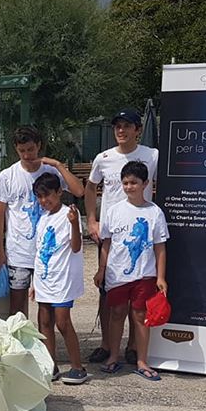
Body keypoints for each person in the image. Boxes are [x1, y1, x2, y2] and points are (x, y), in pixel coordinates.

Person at [85, 108, 159, 366]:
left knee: (139, 292)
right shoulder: (103, 158)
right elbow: (91, 187)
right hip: (111, 234)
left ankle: (132, 346)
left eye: (127, 126)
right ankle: (107, 344)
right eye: (118, 125)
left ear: (137, 130)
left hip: (140, 235)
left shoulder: (152, 156)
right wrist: (92, 219)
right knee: (109, 291)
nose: (121, 130)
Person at [0, 126, 84, 317]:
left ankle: (45, 344)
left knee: (47, 307)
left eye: (30, 149)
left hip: (49, 252)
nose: (27, 155)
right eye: (22, 150)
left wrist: (58, 165)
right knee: (17, 306)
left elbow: (79, 191)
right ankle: (18, 343)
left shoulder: (51, 171)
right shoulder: (7, 176)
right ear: (16, 149)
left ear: (39, 146)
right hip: (19, 251)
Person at [93, 161, 169, 380]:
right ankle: (113, 357)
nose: (129, 187)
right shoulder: (114, 211)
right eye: (125, 183)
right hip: (117, 275)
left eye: (134, 183)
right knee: (116, 314)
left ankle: (142, 360)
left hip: (145, 275)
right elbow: (106, 243)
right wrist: (101, 269)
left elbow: (160, 247)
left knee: (140, 316)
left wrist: (161, 276)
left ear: (145, 183)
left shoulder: (154, 212)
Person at [30, 173, 88, 385]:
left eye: (48, 195)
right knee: (44, 321)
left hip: (63, 279)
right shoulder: (42, 218)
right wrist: (34, 282)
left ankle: (77, 367)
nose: (44, 201)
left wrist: (74, 224)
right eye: (39, 197)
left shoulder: (69, 215)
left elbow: (76, 246)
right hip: (45, 277)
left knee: (63, 322)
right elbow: (39, 251)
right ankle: (50, 365)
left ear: (59, 193)